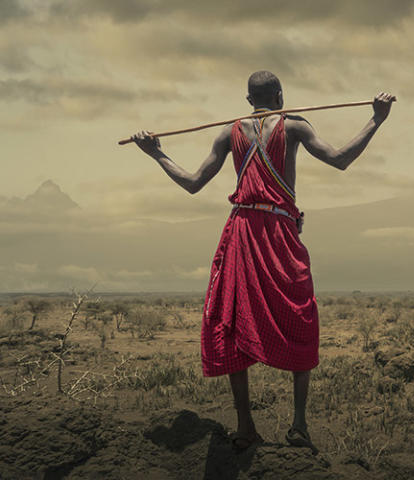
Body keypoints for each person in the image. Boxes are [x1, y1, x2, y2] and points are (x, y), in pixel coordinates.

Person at [129, 70, 395, 452]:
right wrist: (376, 119)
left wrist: (156, 153)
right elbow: (340, 159)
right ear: (281, 95)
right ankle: (299, 426)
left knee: (232, 319)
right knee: (301, 317)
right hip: (279, 231)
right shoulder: (296, 126)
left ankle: (246, 426)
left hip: (240, 231)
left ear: (248, 99)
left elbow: (192, 183)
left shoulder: (228, 133)